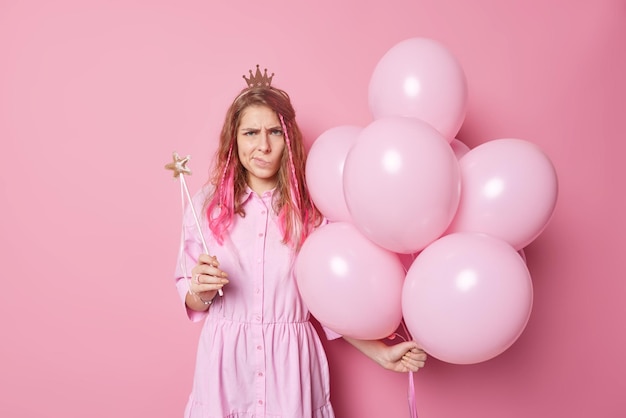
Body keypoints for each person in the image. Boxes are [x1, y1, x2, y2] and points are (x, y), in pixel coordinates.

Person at [174, 65, 427, 418]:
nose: (262, 145)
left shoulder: (309, 211)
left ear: (288, 138)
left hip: (290, 369)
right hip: (226, 370)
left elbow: (329, 303)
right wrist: (200, 289)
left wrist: (381, 352)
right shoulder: (207, 205)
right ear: (234, 139)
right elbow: (192, 299)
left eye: (274, 132)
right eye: (250, 132)